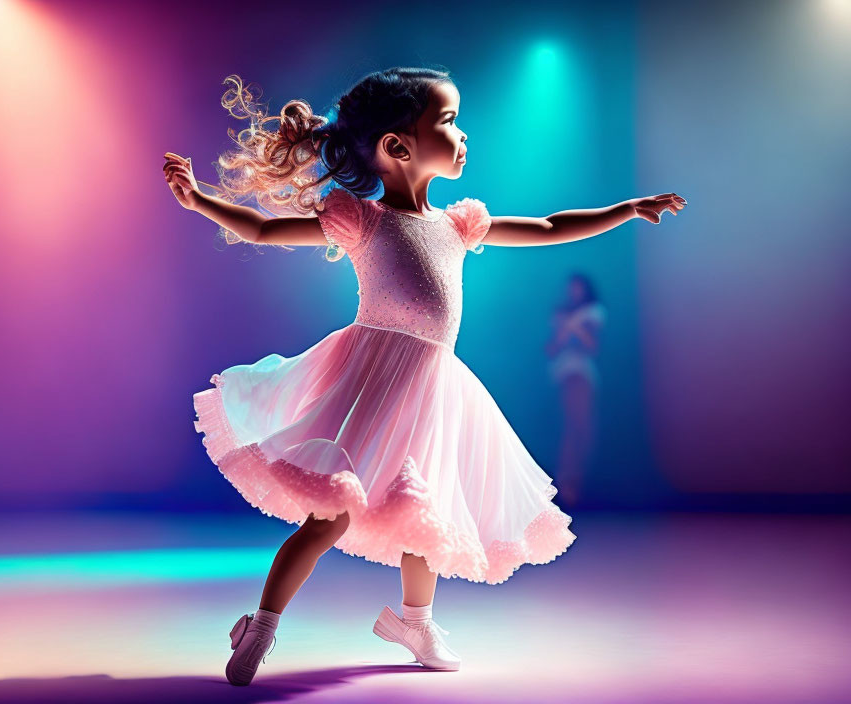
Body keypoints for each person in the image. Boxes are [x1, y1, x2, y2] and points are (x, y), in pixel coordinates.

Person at [163, 66, 686, 686]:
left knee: (422, 506)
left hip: (432, 387)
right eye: (447, 121)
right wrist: (200, 201)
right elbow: (265, 230)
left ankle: (415, 620)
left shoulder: (457, 225)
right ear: (397, 146)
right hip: (370, 380)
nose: (463, 133)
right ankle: (264, 624)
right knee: (330, 513)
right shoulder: (364, 222)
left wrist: (623, 210)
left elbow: (549, 228)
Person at [546, 274, 606, 505]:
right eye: (571, 288)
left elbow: (592, 347)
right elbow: (552, 348)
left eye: (578, 288)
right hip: (566, 374)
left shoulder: (592, 313)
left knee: (582, 428)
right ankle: (567, 483)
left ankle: (575, 483)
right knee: (573, 426)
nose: (574, 292)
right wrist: (564, 329)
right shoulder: (561, 314)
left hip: (583, 374)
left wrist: (573, 327)